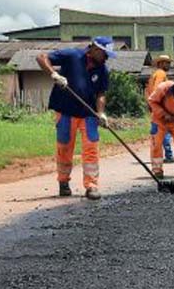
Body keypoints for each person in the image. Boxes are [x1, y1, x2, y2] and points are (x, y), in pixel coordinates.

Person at [36, 36, 115, 201]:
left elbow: (101, 94)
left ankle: (92, 185)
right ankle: (63, 182)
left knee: (91, 149)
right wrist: (54, 74)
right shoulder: (72, 55)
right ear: (95, 49)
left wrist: (101, 113)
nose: (106, 57)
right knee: (64, 148)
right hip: (65, 111)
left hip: (89, 114)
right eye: (104, 53)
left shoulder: (103, 70)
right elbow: (41, 57)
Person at [146, 54, 174, 163]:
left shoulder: (154, 74)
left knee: (156, 131)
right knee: (164, 131)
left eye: (169, 62)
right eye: (166, 63)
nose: (168, 65)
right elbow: (157, 90)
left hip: (154, 107)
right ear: (160, 64)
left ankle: (155, 154)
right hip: (159, 107)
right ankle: (168, 155)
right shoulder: (161, 74)